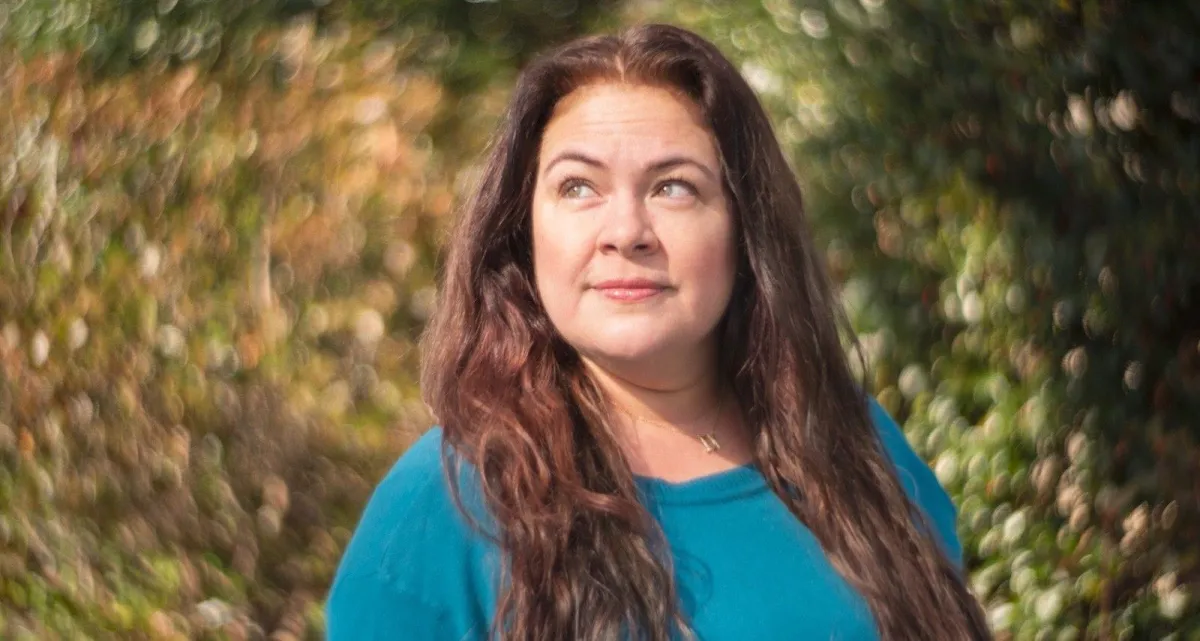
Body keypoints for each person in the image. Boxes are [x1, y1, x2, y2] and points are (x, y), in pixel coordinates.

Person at [325, 23, 990, 641]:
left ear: (744, 229)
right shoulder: (441, 509)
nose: (625, 232)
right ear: (523, 232)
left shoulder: (857, 451)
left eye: (673, 187)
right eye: (578, 187)